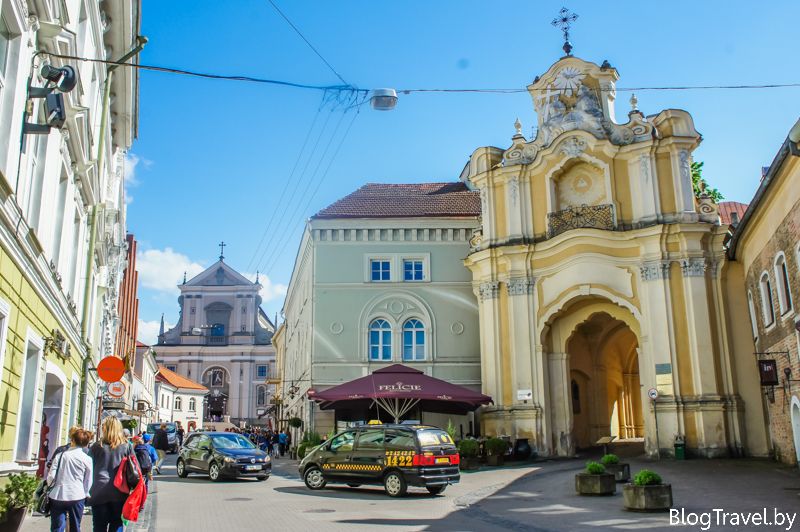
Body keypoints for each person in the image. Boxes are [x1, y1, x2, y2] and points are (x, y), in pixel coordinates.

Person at [89, 417, 136, 532]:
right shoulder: (126, 446)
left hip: (98, 490)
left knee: (99, 526)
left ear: (104, 429)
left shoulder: (96, 446)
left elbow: (88, 467)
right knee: (117, 523)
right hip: (119, 490)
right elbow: (135, 468)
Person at [47, 427, 93, 532]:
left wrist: (52, 487)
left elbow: (51, 476)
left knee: (57, 527)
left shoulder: (60, 456)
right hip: (77, 494)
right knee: (75, 526)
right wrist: (85, 492)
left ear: (72, 440)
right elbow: (88, 480)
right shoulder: (87, 459)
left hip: (58, 494)